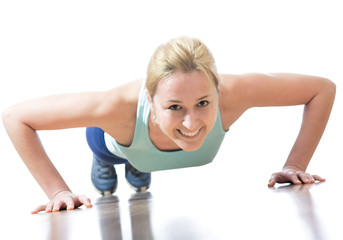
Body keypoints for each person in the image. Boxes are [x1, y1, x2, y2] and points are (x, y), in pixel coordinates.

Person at [2, 36, 336, 214]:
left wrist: (295, 164)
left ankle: (137, 166)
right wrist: (57, 191)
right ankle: (117, 161)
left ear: (217, 91)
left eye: (203, 103)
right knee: (114, 155)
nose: (192, 122)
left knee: (142, 164)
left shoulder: (235, 94)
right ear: (149, 97)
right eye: (174, 107)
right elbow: (17, 117)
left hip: (147, 142)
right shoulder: (116, 107)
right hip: (116, 141)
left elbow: (322, 89)